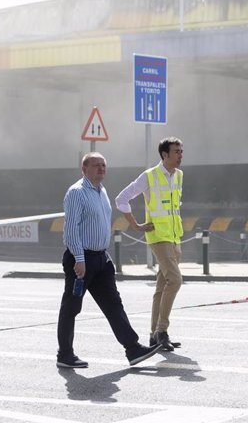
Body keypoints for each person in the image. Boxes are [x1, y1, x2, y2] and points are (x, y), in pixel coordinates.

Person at [57, 152, 161, 368]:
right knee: (72, 307)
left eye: (104, 165)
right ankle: (65, 355)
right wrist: (79, 258)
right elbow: (71, 230)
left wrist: (104, 255)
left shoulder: (101, 190)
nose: (101, 169)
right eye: (96, 166)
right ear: (84, 169)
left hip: (101, 260)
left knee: (114, 304)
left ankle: (132, 349)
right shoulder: (77, 193)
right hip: (82, 259)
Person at [115, 137, 184, 352]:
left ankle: (154, 336)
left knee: (162, 287)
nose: (180, 155)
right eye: (176, 152)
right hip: (158, 238)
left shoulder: (179, 176)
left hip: (174, 237)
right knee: (175, 280)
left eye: (181, 151)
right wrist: (135, 225)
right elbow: (121, 199)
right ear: (164, 155)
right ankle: (162, 331)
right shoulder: (150, 176)